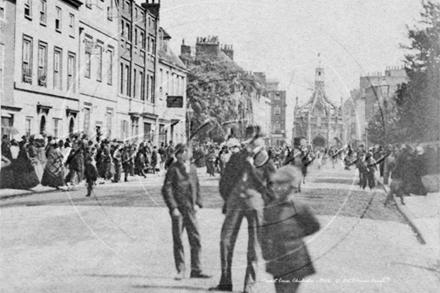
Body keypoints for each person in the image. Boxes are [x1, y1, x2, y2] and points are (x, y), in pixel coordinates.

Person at [210, 127, 275, 293]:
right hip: (235, 202)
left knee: (254, 246)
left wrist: (262, 203)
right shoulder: (237, 157)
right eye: (251, 140)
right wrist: (229, 198)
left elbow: (273, 188)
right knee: (225, 240)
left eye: (256, 140)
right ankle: (225, 282)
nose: (253, 143)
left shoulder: (266, 160)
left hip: (255, 204)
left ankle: (249, 286)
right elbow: (225, 180)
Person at [261, 165, 320, 293]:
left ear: (292, 187)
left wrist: (294, 235)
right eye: (275, 184)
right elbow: (264, 231)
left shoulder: (299, 207)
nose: (277, 187)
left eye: (282, 184)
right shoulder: (271, 207)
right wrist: (266, 250)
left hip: (296, 258)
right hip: (277, 258)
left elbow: (314, 226)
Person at [162, 143, 212, 281]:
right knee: (178, 239)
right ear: (178, 154)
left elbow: (197, 186)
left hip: (191, 209)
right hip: (178, 210)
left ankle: (197, 269)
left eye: (187, 151)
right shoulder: (173, 169)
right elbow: (167, 189)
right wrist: (173, 208)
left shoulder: (193, 168)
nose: (186, 154)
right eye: (183, 152)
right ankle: (180, 270)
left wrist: (198, 203)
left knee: (195, 238)